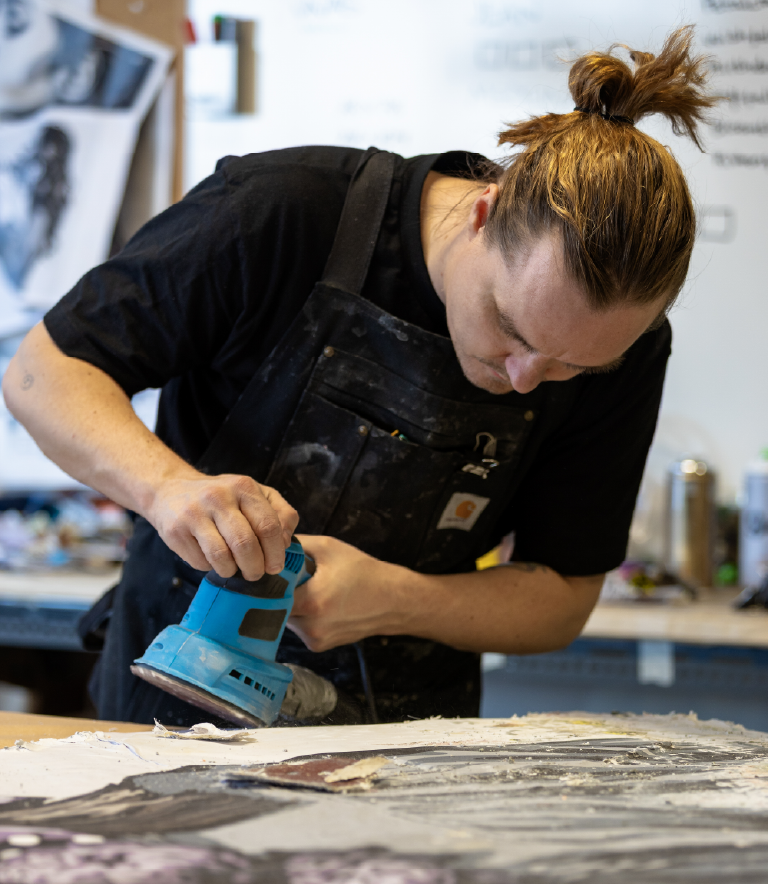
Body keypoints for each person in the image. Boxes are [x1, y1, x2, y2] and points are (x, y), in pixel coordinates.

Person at [3, 27, 716, 725]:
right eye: (509, 329)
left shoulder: (630, 348)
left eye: (574, 366)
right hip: (174, 703)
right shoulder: (280, 212)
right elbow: (44, 369)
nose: (529, 379)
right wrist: (167, 488)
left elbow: (562, 595)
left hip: (402, 739)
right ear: (483, 213)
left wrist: (401, 599)